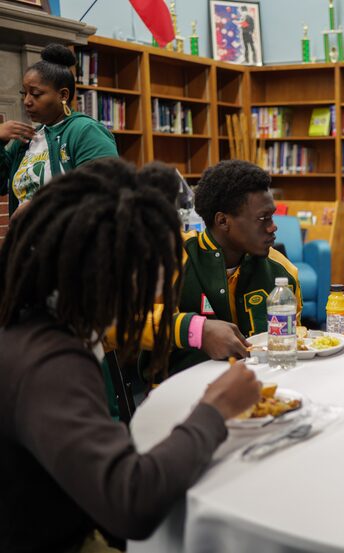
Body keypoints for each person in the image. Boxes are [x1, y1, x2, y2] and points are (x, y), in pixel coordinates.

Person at [0, 163, 261, 553]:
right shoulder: (51, 366)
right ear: (113, 277)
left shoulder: (36, 320)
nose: (153, 301)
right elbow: (132, 502)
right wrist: (214, 409)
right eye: (149, 284)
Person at [166, 160, 303, 373]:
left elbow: (294, 346)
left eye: (272, 216)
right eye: (262, 218)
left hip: (260, 389)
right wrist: (197, 330)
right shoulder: (174, 260)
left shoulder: (284, 272)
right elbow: (137, 323)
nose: (273, 226)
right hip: (184, 394)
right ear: (222, 221)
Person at [0, 43, 117, 218]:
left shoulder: (85, 131)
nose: (26, 101)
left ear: (63, 95)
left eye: (36, 94)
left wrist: (41, 203)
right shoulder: (26, 138)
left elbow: (104, 187)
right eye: (24, 93)